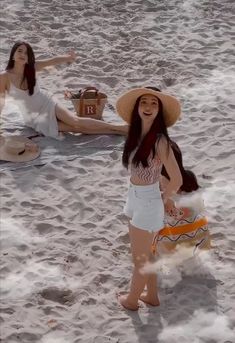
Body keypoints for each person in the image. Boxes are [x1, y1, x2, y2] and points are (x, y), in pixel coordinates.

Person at [115, 86, 183, 310]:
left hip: (148, 201)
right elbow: (155, 173)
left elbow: (176, 179)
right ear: (137, 107)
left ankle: (132, 301)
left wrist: (165, 199)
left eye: (154, 104)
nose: (148, 107)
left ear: (159, 111)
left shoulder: (160, 141)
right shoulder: (135, 134)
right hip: (134, 196)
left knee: (140, 259)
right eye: (144, 102)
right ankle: (151, 295)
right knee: (147, 253)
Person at [0, 41, 128, 138]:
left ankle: (119, 127)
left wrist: (68, 58)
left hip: (47, 103)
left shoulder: (32, 67)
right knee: (76, 129)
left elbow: (51, 61)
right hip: (34, 118)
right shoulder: (4, 77)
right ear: (13, 54)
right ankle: (118, 131)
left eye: (26, 53)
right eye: (20, 51)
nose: (23, 54)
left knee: (74, 121)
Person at [152, 140, 210, 255]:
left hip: (173, 245)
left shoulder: (159, 183)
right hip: (199, 239)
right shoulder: (190, 177)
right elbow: (201, 207)